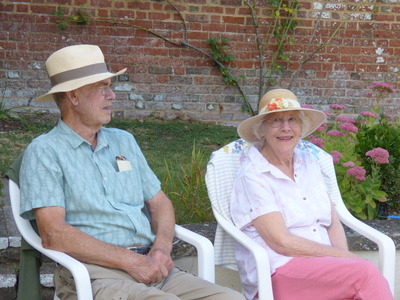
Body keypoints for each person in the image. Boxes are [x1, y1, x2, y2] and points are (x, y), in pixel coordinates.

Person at [19, 44, 245, 300]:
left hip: (153, 266)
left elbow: (160, 202)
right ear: (73, 96)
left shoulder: (123, 141)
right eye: (102, 87)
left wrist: (161, 249)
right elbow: (53, 234)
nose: (112, 95)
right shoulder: (45, 151)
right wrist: (130, 261)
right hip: (93, 273)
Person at [230, 89, 393, 300]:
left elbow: (332, 222)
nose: (286, 128)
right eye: (276, 121)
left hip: (322, 266)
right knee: (366, 274)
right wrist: (344, 258)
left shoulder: (309, 162)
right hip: (277, 270)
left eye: (292, 120)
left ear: (301, 128)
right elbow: (281, 242)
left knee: (360, 276)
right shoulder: (253, 174)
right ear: (262, 130)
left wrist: (344, 262)